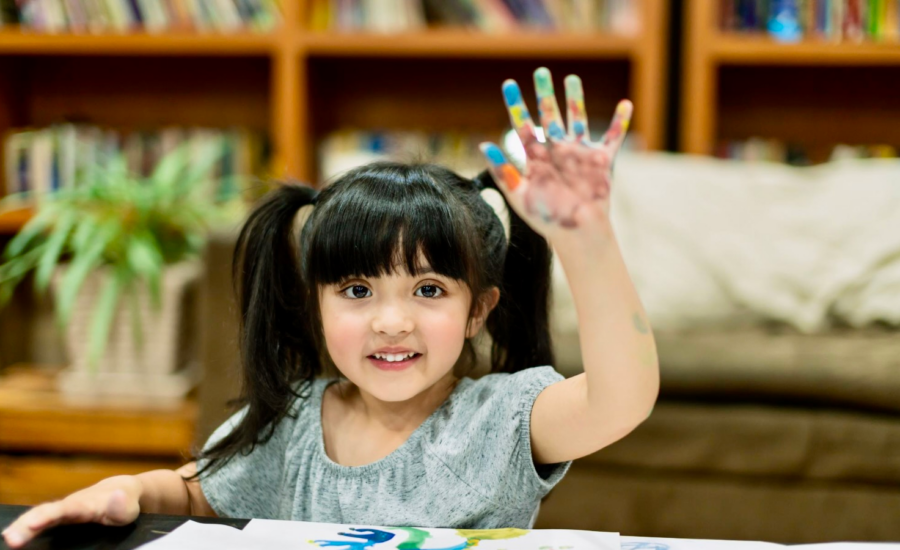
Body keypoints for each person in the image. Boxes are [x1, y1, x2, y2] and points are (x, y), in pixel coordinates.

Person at [1, 67, 659, 548]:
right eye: (356, 290)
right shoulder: (289, 423)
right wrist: (134, 492)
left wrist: (586, 240)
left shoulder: (507, 420)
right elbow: (200, 493)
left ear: (479, 310)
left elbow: (620, 399)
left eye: (428, 291)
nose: (391, 320)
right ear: (315, 303)